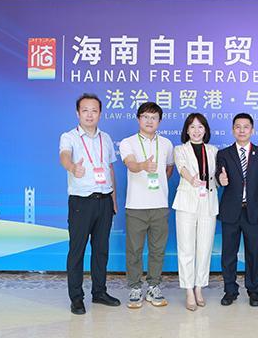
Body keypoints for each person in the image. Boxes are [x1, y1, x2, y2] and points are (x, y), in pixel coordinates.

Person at [59, 93, 120, 315]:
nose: (89, 115)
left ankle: (99, 292)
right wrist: (72, 167)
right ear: (78, 113)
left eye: (94, 110)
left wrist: (113, 199)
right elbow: (64, 156)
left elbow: (110, 168)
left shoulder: (106, 138)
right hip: (81, 202)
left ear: (100, 114)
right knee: (77, 251)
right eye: (85, 110)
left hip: (104, 201)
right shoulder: (69, 137)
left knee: (101, 250)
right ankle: (76, 298)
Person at [119, 102, 174, 309]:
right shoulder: (128, 142)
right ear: (138, 119)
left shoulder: (167, 143)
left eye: (154, 117)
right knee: (134, 249)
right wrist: (143, 166)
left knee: (157, 249)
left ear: (159, 121)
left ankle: (153, 286)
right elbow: (131, 164)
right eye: (145, 117)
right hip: (136, 206)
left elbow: (169, 168)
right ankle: (135, 287)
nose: (149, 121)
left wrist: (159, 182)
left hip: (160, 205)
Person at [216, 113, 258, 307]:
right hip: (231, 211)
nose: (241, 130)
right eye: (237, 127)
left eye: (245, 127)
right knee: (228, 254)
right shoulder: (224, 154)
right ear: (233, 130)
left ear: (252, 130)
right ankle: (230, 290)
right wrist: (221, 179)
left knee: (253, 253)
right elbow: (219, 174)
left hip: (253, 212)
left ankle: (254, 290)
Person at [172, 113, 219, 311]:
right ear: (187, 130)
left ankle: (199, 287)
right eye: (192, 127)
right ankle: (188, 290)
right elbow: (181, 167)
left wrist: (222, 180)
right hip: (186, 202)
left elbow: (216, 177)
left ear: (205, 130)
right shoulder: (180, 149)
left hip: (208, 202)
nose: (196, 131)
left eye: (200, 127)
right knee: (186, 248)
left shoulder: (213, 150)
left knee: (205, 247)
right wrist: (191, 178)